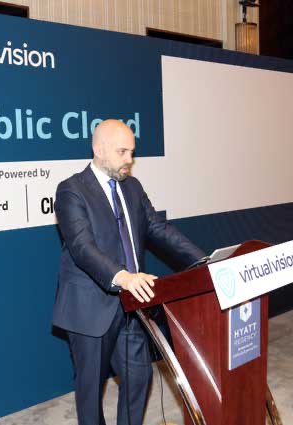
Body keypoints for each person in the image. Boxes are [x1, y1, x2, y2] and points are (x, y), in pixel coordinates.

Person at [52, 119, 205, 425]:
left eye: (132, 152)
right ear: (99, 150)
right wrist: (124, 278)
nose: (129, 160)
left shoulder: (132, 187)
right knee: (90, 391)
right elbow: (82, 247)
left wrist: (203, 261)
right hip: (90, 307)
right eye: (122, 152)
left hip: (132, 306)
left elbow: (159, 228)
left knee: (139, 378)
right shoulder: (71, 190)